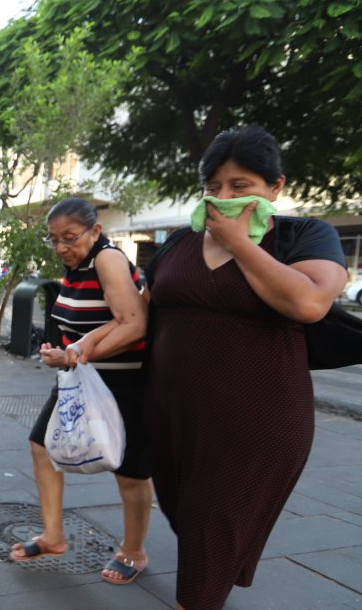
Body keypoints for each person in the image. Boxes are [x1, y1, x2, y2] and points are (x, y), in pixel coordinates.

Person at [140, 126, 348, 609]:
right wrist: (82, 348)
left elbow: (310, 302)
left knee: (210, 534)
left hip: (257, 419)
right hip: (172, 414)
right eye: (214, 188)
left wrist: (240, 243)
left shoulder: (304, 236)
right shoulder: (180, 241)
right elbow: (145, 313)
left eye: (241, 186)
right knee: (188, 517)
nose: (224, 198)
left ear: (275, 188)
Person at [10, 197, 153, 586]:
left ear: (95, 231)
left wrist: (74, 355)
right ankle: (53, 536)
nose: (61, 247)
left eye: (69, 238)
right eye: (54, 240)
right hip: (81, 378)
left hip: (124, 381)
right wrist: (62, 351)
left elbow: (134, 325)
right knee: (42, 445)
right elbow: (86, 321)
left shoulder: (107, 259)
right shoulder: (75, 266)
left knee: (130, 471)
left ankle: (134, 551)